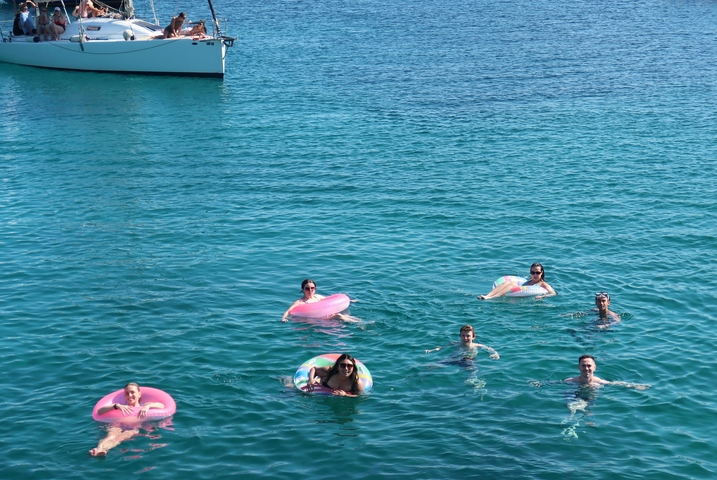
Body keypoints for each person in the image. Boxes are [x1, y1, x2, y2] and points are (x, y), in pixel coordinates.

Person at [88, 382, 166, 457]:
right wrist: (116, 406)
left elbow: (162, 406)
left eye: (132, 392)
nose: (130, 395)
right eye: (127, 393)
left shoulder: (144, 405)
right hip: (118, 425)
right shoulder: (120, 406)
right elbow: (99, 411)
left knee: (119, 439)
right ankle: (99, 449)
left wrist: (148, 406)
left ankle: (103, 450)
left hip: (133, 428)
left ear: (139, 394)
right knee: (111, 436)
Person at [477, 262, 556, 300]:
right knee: (508, 282)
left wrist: (542, 296)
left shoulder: (543, 284)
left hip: (520, 297)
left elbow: (553, 293)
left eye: (537, 273)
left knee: (512, 284)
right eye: (533, 272)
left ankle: (492, 297)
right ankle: (488, 295)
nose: (535, 275)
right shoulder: (530, 280)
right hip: (515, 292)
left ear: (542, 273)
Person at [565, 355, 649, 389]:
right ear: (578, 367)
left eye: (589, 366)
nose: (586, 368)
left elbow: (617, 383)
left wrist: (635, 386)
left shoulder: (599, 382)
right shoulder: (570, 381)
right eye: (583, 366)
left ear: (594, 368)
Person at [425, 324, 500, 359]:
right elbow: (441, 348)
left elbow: (490, 349)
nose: (465, 338)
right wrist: (431, 350)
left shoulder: (477, 346)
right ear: (460, 336)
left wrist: (496, 354)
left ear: (473, 337)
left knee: (472, 370)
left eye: (468, 336)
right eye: (463, 336)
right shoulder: (454, 343)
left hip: (468, 360)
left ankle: (475, 383)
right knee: (436, 365)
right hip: (454, 358)